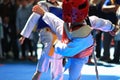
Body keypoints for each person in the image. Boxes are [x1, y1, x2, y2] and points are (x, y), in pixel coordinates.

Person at [32, 0, 119, 79]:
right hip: (72, 46)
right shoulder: (69, 25)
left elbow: (66, 50)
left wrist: (56, 45)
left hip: (79, 56)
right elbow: (56, 22)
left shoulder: (82, 35)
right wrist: (44, 13)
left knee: (74, 75)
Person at [19, 0, 63, 80]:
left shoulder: (62, 5)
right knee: (50, 45)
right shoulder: (42, 5)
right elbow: (32, 19)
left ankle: (57, 78)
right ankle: (39, 72)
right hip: (46, 31)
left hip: (58, 34)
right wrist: (24, 36)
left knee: (58, 53)